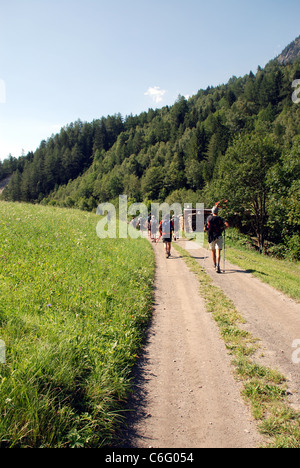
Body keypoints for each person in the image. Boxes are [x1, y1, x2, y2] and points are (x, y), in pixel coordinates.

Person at [205, 205, 229, 273]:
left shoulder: (208, 218)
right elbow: (227, 225)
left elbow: (205, 228)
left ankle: (215, 264)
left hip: (211, 237)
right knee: (218, 252)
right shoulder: (220, 218)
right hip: (218, 235)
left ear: (212, 212)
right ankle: (218, 265)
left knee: (213, 252)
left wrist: (208, 231)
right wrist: (222, 229)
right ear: (217, 212)